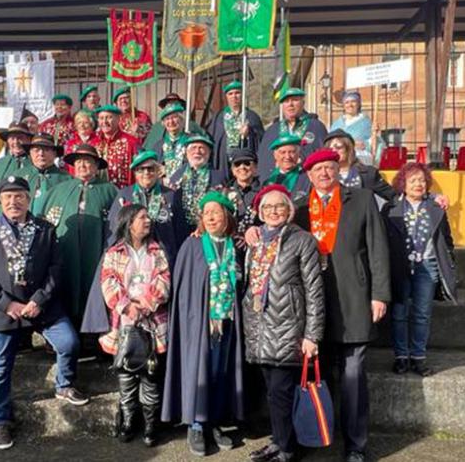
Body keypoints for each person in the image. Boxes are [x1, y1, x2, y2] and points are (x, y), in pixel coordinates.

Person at [0, 176, 88, 451]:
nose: (14, 202)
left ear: (28, 198)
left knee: (69, 342)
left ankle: (64, 384)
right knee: (0, 366)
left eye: (19, 196)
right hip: (5, 308)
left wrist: (39, 299)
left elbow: (56, 268)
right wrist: (5, 304)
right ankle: (0, 420)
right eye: (8, 197)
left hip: (40, 305)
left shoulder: (45, 229)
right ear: (0, 201)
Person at [296, 149, 390, 462]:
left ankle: (355, 445)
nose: (324, 173)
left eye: (329, 167)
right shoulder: (298, 209)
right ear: (309, 176)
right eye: (317, 169)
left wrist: (380, 294)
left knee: (353, 376)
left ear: (339, 169)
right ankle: (317, 434)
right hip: (314, 304)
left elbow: (378, 248)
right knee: (318, 374)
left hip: (354, 299)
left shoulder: (362, 200)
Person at [243, 184, 324, 462]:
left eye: (279, 206)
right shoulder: (256, 241)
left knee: (281, 393)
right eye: (267, 207)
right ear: (260, 212)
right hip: (261, 328)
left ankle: (288, 449)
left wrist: (312, 335)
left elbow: (314, 290)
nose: (273, 212)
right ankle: (278, 442)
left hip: (289, 328)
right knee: (273, 393)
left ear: (289, 211)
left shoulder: (302, 240)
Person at [162, 191, 244, 457]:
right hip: (199, 323)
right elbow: (184, 289)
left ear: (226, 216)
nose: (210, 217)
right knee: (199, 370)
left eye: (215, 212)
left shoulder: (235, 246)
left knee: (221, 372)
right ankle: (196, 424)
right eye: (206, 213)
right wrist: (198, 317)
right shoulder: (193, 245)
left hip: (228, 321)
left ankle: (216, 421)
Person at [98, 204, 171, 447]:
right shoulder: (114, 252)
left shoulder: (157, 251)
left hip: (152, 323)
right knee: (126, 375)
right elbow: (108, 282)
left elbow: (164, 279)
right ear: (129, 223)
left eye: (148, 216)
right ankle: (129, 421)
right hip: (124, 323)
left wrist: (148, 302)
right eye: (142, 217)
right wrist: (128, 306)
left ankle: (151, 425)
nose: (147, 220)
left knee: (150, 375)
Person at [383, 163, 457, 377]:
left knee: (422, 314)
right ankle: (401, 357)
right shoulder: (390, 208)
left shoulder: (436, 207)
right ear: (403, 184)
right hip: (400, 266)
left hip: (427, 266)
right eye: (413, 180)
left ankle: (418, 357)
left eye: (422, 180)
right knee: (398, 313)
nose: (418, 184)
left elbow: (447, 239)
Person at [40, 144, 118, 327]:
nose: (83, 165)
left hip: (97, 252)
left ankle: (94, 332)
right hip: (65, 252)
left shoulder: (110, 190)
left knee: (95, 288)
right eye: (79, 161)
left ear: (97, 166)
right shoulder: (58, 190)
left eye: (88, 161)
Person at [107, 150, 184, 263]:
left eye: (150, 169)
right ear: (135, 173)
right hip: (130, 258)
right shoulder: (124, 195)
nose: (146, 172)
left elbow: (180, 231)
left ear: (158, 171)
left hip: (163, 258)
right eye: (141, 169)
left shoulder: (170, 196)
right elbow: (114, 229)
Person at [258, 87, 327, 182]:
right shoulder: (272, 130)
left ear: (303, 103)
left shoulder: (316, 127)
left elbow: (323, 158)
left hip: (306, 183)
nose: (290, 104)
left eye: (295, 100)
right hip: (277, 183)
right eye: (286, 101)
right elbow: (263, 162)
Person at [168, 133, 224, 237]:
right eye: (193, 148)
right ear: (186, 152)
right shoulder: (177, 175)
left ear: (209, 152)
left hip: (206, 229)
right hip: (180, 228)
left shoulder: (218, 177)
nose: (197, 151)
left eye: (201, 148)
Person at [208, 81, 264, 179]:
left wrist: (250, 133)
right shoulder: (218, 117)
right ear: (226, 97)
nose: (234, 96)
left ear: (242, 95)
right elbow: (211, 139)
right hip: (224, 161)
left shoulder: (252, 116)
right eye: (230, 94)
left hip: (244, 162)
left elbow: (261, 140)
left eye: (237, 93)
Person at [324, 129, 396, 200]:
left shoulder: (368, 174)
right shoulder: (322, 175)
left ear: (349, 149)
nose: (334, 151)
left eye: (338, 147)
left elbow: (394, 197)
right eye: (330, 149)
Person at [13, 133, 70, 216]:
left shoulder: (67, 180)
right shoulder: (18, 176)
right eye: (36, 150)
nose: (41, 154)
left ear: (54, 153)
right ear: (30, 153)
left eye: (46, 150)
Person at [221, 148, 261, 254]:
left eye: (247, 163)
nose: (242, 167)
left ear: (255, 168)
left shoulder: (265, 193)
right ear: (233, 170)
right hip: (229, 247)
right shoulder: (223, 193)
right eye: (237, 164)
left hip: (256, 246)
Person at [330, 91, 383, 166]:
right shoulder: (336, 124)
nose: (350, 105)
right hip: (339, 162)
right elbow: (330, 143)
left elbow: (374, 145)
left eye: (353, 101)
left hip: (359, 161)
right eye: (347, 102)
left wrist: (370, 140)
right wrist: (349, 144)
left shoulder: (366, 123)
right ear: (343, 106)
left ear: (359, 104)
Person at [96, 104, 141, 188]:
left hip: (124, 194)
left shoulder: (131, 142)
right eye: (101, 118)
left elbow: (140, 170)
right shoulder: (95, 143)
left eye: (109, 117)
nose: (104, 122)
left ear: (118, 119)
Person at [148, 103, 189, 182]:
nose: (171, 121)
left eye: (174, 117)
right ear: (163, 123)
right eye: (167, 119)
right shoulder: (158, 146)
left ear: (181, 119)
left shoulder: (191, 142)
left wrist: (168, 170)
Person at [263, 133, 312, 200]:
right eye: (283, 152)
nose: (287, 157)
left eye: (292, 152)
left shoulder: (308, 177)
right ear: (275, 155)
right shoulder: (268, 180)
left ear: (298, 154)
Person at [64, 111, 103, 175]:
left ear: (92, 125)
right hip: (74, 177)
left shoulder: (99, 141)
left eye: (86, 123)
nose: (82, 125)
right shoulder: (70, 142)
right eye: (79, 123)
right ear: (76, 126)